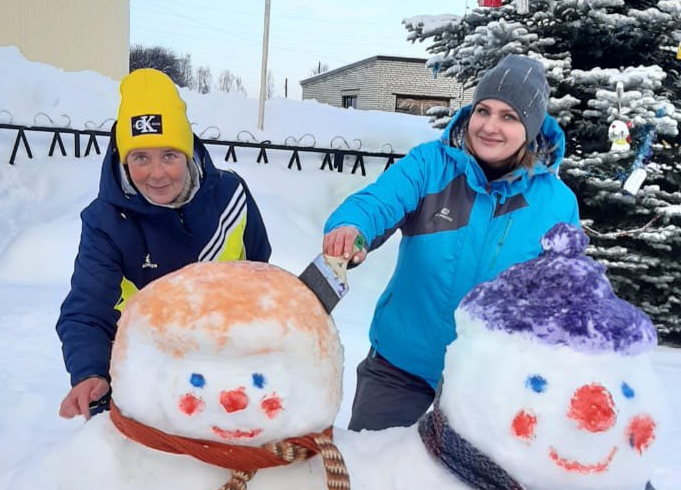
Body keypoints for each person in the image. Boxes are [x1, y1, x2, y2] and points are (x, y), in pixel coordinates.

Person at [322, 54, 580, 431]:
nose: (490, 126)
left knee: (465, 488)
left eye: (509, 117)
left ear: (531, 127)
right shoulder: (431, 166)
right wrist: (351, 227)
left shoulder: (557, 202)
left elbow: (565, 292)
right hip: (401, 366)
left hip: (490, 382)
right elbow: (377, 203)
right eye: (483, 111)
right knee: (369, 480)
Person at [57, 68, 271, 419]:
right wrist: (90, 373)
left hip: (223, 368)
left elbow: (260, 277)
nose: (156, 173)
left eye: (169, 155)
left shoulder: (231, 195)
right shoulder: (105, 222)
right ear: (124, 159)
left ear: (187, 153)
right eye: (141, 157)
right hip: (144, 370)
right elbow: (87, 310)